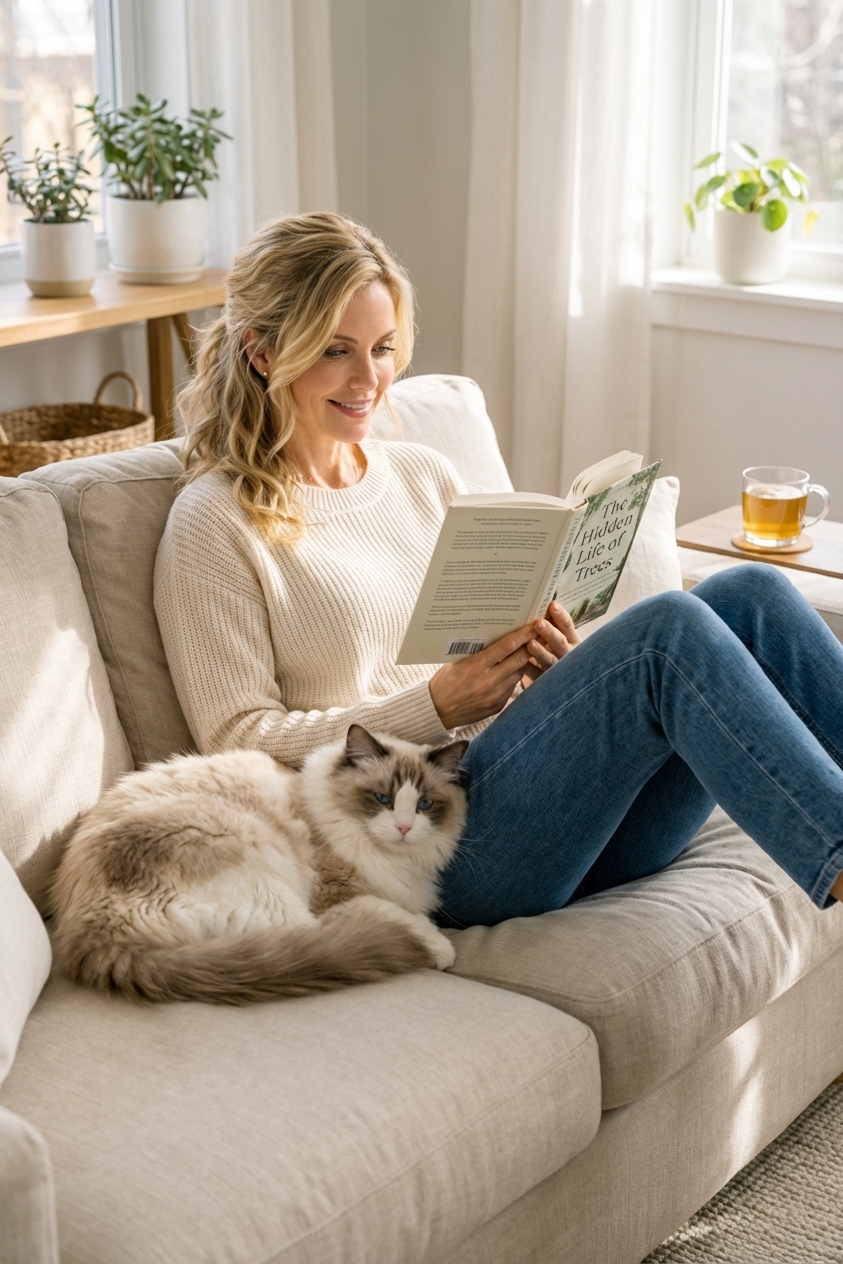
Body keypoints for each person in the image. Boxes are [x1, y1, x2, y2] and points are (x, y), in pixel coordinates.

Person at [154, 211, 843, 929]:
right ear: (262, 353)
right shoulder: (215, 521)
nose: (370, 379)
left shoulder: (421, 475)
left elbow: (482, 670)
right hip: (415, 844)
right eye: (336, 351)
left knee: (749, 593)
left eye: (383, 348)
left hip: (537, 807)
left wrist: (551, 674)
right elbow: (235, 739)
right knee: (665, 630)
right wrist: (434, 708)